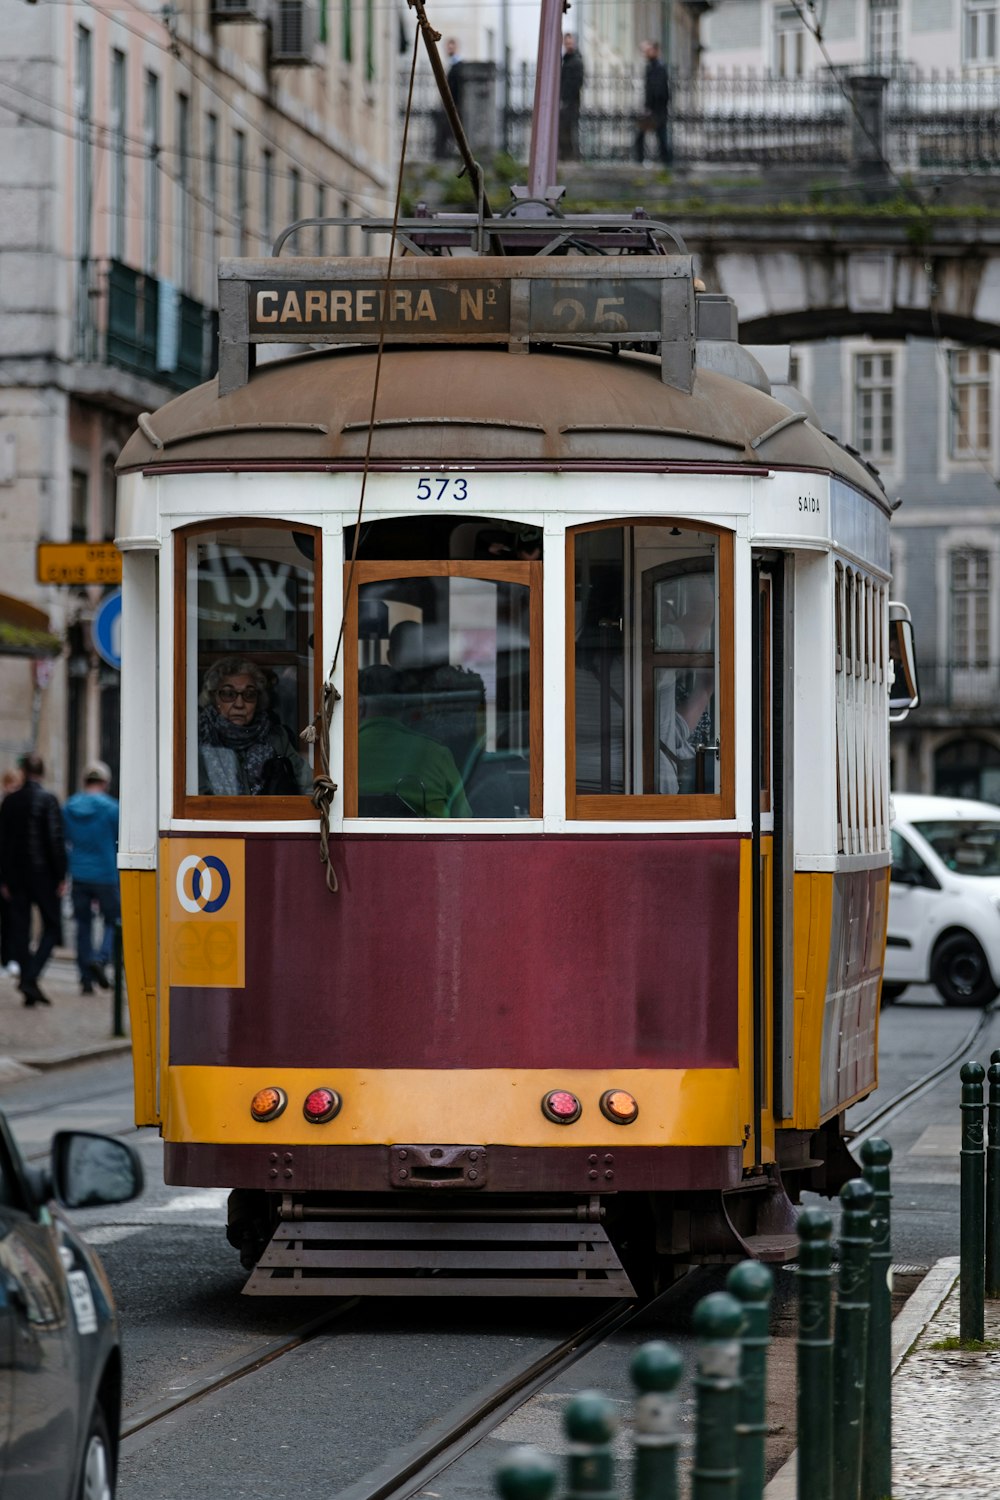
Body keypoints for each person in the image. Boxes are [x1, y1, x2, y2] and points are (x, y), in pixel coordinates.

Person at [357, 664, 473, 817]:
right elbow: (464, 819)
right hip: (433, 840)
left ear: (360, 704)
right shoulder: (435, 753)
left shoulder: (341, 757)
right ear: (404, 705)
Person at [0, 753, 66, 1006]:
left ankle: (29, 980)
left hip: (16, 875)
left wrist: (3, 877)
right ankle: (31, 976)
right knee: (52, 926)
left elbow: (3, 842)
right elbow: (55, 840)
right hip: (43, 875)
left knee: (20, 928)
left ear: (24, 771)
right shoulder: (47, 800)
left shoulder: (10, 801)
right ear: (42, 772)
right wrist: (60, 875)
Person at [198, 656, 313, 796]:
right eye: (229, 694)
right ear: (214, 697)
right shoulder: (198, 736)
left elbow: (308, 787)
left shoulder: (277, 738)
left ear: (258, 700)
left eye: (249, 694)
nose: (239, 704)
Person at [63, 760, 120, 995]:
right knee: (113, 920)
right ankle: (102, 957)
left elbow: (65, 838)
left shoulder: (69, 807)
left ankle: (85, 978)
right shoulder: (112, 808)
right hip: (106, 873)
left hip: (79, 873)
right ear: (105, 782)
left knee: (83, 925)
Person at [656, 572, 716, 794]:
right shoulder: (659, 643)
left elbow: (669, 735)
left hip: (580, 791)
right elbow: (703, 610)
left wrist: (703, 691)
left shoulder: (566, 657)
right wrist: (691, 559)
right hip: (655, 789)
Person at [0, 767, 22, 977]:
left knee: (14, 917)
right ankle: (7, 957)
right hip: (6, 872)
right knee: (7, 917)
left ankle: (12, 957)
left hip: (15, 872)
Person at [635, 40, 671, 167]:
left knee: (662, 138)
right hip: (652, 109)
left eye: (649, 50)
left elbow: (660, 90)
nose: (646, 53)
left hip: (657, 109)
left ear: (656, 51)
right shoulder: (651, 66)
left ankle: (667, 163)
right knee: (642, 136)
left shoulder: (659, 67)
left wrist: (651, 106)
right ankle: (641, 161)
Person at [434, 37, 465, 160]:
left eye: (452, 46)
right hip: (450, 105)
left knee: (451, 130)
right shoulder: (453, 65)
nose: (449, 49)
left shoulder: (459, 66)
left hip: (455, 104)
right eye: (448, 47)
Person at [559, 32, 585, 161]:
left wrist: (567, 100)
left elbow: (576, 83)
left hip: (571, 102)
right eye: (566, 42)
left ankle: (571, 157)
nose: (568, 45)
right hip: (565, 100)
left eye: (570, 42)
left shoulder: (576, 61)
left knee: (569, 130)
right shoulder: (566, 60)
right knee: (564, 130)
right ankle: (566, 156)